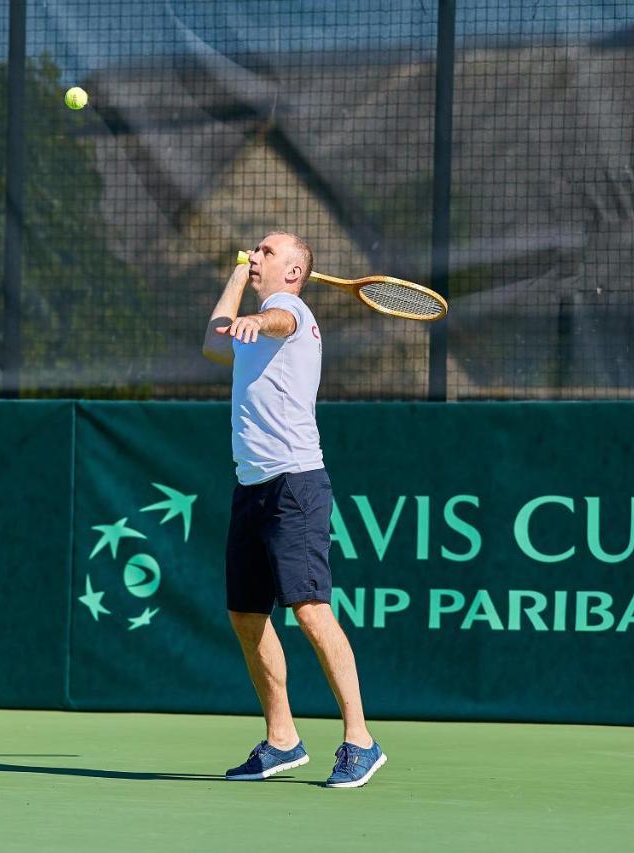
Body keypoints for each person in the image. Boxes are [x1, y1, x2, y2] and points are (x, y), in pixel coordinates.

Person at [201, 232, 386, 789]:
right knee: (246, 615)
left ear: (294, 272)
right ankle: (282, 741)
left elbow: (277, 321)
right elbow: (214, 345)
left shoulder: (290, 310)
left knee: (309, 609)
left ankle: (361, 740)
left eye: (265, 252)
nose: (255, 255)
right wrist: (238, 277)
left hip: (294, 487)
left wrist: (263, 317)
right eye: (253, 250)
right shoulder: (256, 319)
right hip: (251, 486)